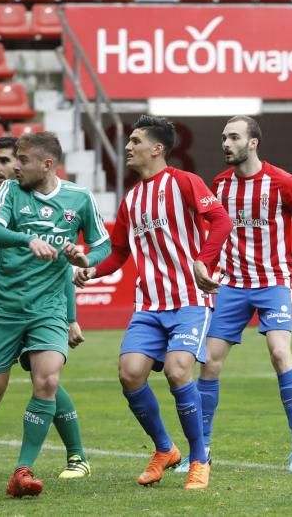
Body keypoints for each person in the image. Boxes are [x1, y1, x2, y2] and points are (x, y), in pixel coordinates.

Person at [73, 115, 233, 490]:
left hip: (189, 301)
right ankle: (165, 449)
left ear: (157, 148)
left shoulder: (184, 182)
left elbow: (221, 221)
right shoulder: (131, 200)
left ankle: (199, 458)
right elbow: (117, 254)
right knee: (129, 373)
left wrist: (203, 261)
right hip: (149, 306)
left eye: (135, 140)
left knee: (179, 371)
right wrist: (90, 270)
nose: (128, 147)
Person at [0, 132, 111, 498]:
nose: (14, 167)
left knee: (47, 382)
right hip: (5, 307)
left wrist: (86, 260)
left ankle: (22, 471)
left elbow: (103, 243)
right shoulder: (10, 193)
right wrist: (27, 239)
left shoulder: (80, 198)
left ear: (47, 164)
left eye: (22, 160)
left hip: (48, 309)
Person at [175, 115, 292, 474]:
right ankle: (202, 450)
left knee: (279, 353)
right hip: (230, 285)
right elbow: (214, 229)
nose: (225, 144)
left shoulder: (282, 182)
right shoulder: (219, 184)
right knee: (210, 363)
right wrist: (206, 265)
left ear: (253, 143)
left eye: (233, 137)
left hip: (273, 282)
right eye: (223, 138)